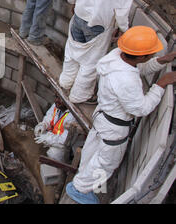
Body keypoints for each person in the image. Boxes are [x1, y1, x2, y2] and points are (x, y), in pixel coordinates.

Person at [66, 26, 176, 204]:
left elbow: (138, 68)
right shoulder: (126, 79)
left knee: (92, 152)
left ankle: (82, 180)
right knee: (105, 163)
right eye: (150, 53)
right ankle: (80, 189)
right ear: (141, 56)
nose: (151, 55)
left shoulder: (117, 56)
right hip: (114, 127)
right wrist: (161, 84)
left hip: (103, 117)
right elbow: (140, 109)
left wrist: (161, 61)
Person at [35, 96, 76, 163]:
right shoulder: (57, 105)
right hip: (53, 136)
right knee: (38, 134)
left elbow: (64, 141)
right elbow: (49, 117)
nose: (57, 100)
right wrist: (43, 125)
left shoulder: (72, 117)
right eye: (57, 97)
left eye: (61, 99)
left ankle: (60, 169)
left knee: (54, 154)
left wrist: (47, 138)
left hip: (64, 145)